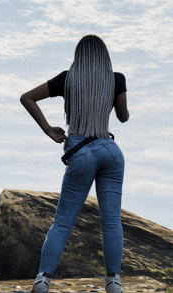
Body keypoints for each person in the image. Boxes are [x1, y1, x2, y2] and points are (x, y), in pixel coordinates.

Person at [20, 34, 129, 293]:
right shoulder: (116, 79)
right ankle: (113, 282)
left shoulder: (66, 78)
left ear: (78, 56)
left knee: (62, 223)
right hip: (109, 151)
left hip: (79, 152)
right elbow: (123, 118)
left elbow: (27, 97)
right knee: (112, 222)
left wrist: (48, 129)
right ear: (104, 56)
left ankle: (42, 281)